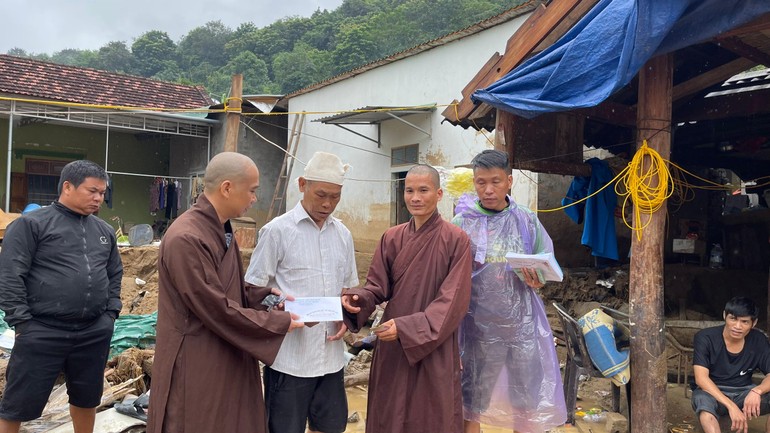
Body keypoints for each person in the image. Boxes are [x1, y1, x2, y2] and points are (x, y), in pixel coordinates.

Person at [147, 152, 304, 433]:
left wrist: (264, 296)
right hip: (196, 356)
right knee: (197, 422)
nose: (254, 198)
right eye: (252, 190)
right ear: (228, 188)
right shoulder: (187, 237)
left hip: (223, 348)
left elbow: (224, 285)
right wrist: (279, 323)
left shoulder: (219, 228)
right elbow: (214, 305)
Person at [342, 164, 472, 433]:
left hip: (433, 342)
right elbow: (377, 286)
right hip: (392, 342)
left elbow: (452, 301)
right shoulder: (391, 237)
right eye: (409, 190)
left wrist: (407, 327)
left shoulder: (456, 239)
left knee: (432, 412)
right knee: (391, 410)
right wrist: (358, 299)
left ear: (438, 194)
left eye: (423, 190)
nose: (415, 197)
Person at [0, 160, 122, 433]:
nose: (98, 198)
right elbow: (10, 275)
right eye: (92, 191)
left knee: (87, 397)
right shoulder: (32, 225)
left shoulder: (103, 231)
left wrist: (110, 314)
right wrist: (23, 324)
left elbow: (115, 274)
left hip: (93, 331)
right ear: (67, 186)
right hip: (42, 330)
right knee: (17, 402)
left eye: (102, 193)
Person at [453, 149, 566, 433]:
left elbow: (547, 262)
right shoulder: (461, 224)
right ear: (474, 182)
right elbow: (448, 277)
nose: (488, 189)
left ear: (510, 181)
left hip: (522, 327)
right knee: (473, 400)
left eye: (496, 181)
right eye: (481, 182)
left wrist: (537, 279)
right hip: (478, 326)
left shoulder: (527, 220)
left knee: (525, 399)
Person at [245, 151, 358, 433]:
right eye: (321, 194)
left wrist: (345, 313)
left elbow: (347, 287)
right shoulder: (277, 231)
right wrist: (281, 307)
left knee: (331, 427)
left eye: (335, 196)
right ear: (302, 184)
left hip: (331, 358)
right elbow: (253, 291)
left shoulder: (343, 234)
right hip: (289, 360)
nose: (328, 203)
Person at [692, 296, 770, 433]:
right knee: (704, 405)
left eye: (744, 321)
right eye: (733, 319)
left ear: (754, 323)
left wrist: (757, 391)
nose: (737, 326)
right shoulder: (705, 337)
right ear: (724, 316)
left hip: (743, 392)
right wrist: (731, 406)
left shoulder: (759, 340)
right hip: (711, 392)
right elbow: (701, 379)